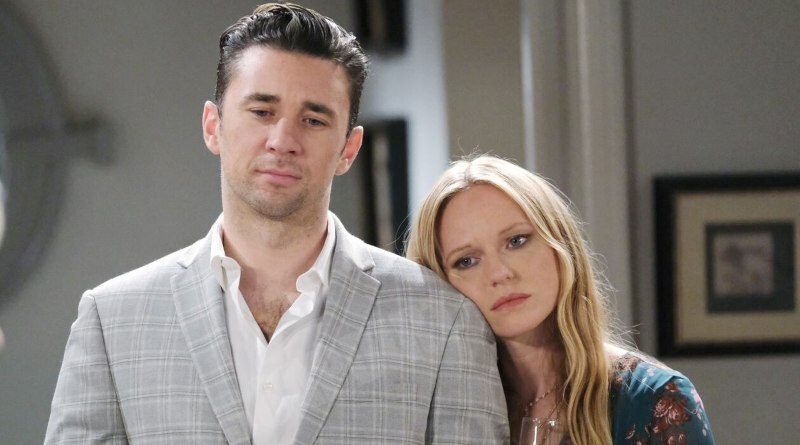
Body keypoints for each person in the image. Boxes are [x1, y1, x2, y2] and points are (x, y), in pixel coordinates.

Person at [45, 4, 508, 444]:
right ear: (213, 126)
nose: (283, 140)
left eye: (314, 119)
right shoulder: (112, 321)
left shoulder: (444, 322)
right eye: (262, 112)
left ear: (348, 149)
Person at [406, 155, 716, 445]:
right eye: (466, 261)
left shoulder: (655, 399)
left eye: (516, 241)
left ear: (559, 243)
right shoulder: (434, 411)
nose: (500, 273)